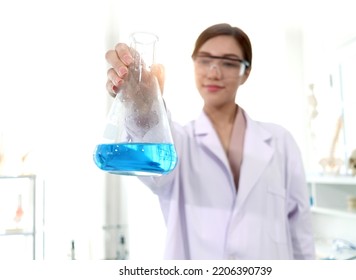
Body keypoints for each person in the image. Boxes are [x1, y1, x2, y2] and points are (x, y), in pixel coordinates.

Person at [105, 23, 315, 260]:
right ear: (194, 66)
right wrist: (144, 106)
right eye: (205, 59)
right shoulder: (180, 143)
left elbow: (301, 234)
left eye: (228, 62)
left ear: (245, 72)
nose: (214, 71)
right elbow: (155, 168)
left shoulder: (281, 142)